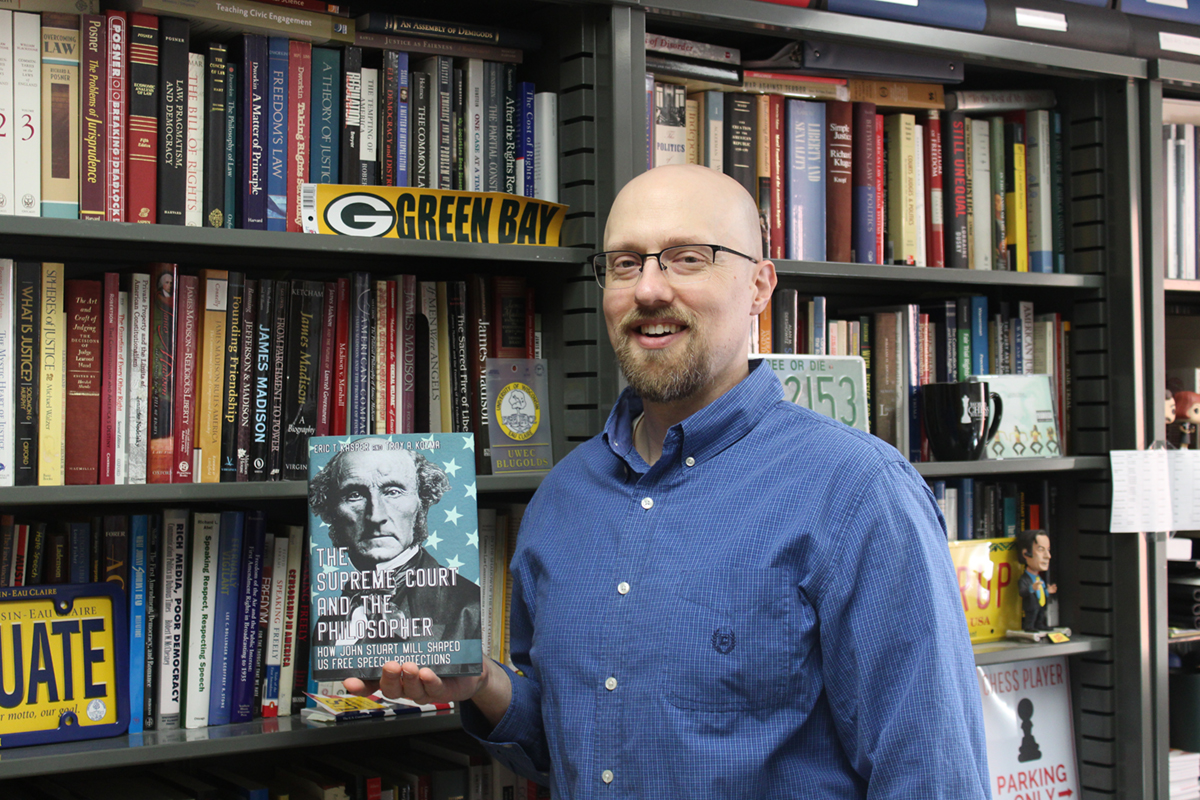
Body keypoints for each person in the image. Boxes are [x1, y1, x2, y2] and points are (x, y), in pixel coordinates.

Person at [346, 165, 989, 798]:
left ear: (760, 286)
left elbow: (932, 775)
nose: (649, 290)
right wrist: (481, 682)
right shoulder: (561, 501)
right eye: (625, 264)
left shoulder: (858, 493)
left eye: (687, 258)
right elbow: (572, 742)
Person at [308, 442, 481, 676]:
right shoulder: (330, 617)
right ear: (332, 511)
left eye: (393, 491)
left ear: (422, 502)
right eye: (354, 495)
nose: (375, 515)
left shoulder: (469, 608)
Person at [1015, 528, 1057, 632]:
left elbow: (1041, 591)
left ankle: (1040, 624)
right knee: (1032, 615)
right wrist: (1032, 588)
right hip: (1031, 606)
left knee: (1040, 613)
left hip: (1040, 604)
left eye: (1048, 550)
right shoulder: (1025, 579)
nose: (1048, 556)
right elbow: (1022, 592)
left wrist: (1048, 591)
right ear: (1025, 554)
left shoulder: (1039, 578)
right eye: (1041, 550)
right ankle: (1029, 626)